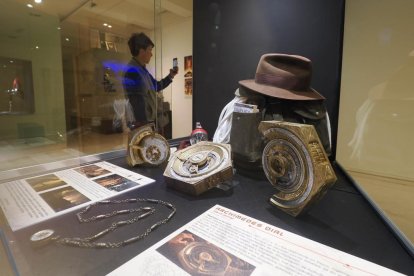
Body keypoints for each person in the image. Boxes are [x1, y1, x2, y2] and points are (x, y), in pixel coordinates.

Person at [123, 32, 178, 130]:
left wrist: (170, 76)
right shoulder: (133, 72)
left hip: (147, 125)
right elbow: (137, 105)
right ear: (141, 51)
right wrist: (146, 130)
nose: (151, 54)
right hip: (142, 127)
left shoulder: (142, 70)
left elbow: (156, 86)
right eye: (149, 50)